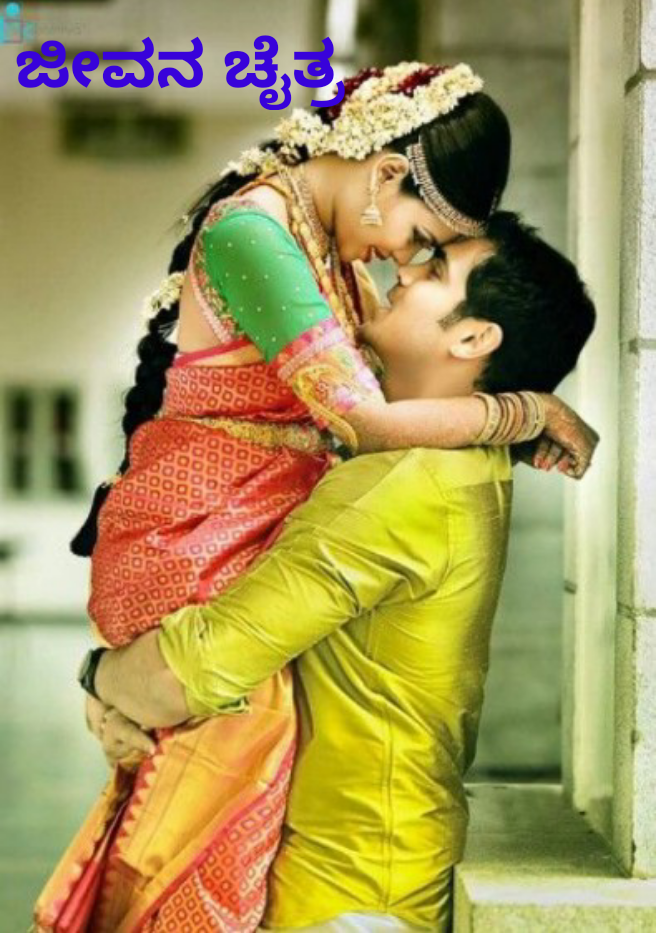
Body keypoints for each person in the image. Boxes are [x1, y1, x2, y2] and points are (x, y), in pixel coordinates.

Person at [34, 62, 595, 932]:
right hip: (198, 532)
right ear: (384, 172)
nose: (402, 267)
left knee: (201, 785)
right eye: (421, 240)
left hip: (349, 891)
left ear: (474, 336)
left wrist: (108, 681)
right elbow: (361, 419)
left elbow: (196, 669)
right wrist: (523, 412)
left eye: (429, 263)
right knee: (200, 779)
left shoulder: (406, 480)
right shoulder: (266, 238)